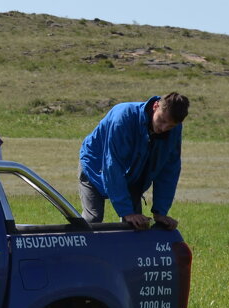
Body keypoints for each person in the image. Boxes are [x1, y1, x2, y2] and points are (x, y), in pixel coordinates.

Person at [78, 93, 189, 230]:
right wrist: (127, 212)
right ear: (155, 106)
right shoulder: (123, 117)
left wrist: (160, 212)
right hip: (95, 165)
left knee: (137, 225)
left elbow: (169, 170)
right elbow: (112, 165)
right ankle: (79, 250)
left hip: (133, 172)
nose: (163, 128)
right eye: (162, 120)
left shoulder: (174, 130)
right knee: (93, 219)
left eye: (170, 126)